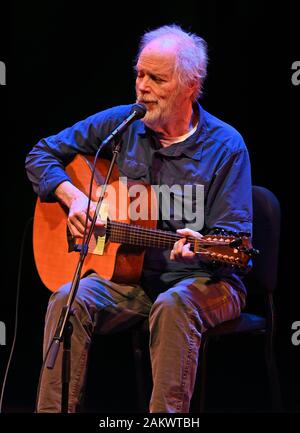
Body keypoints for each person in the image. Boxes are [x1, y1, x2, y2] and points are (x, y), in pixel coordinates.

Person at [25, 24, 252, 413]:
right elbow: (40, 153)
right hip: (132, 280)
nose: (141, 87)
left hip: (206, 282)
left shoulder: (226, 146)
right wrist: (74, 197)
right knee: (68, 298)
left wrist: (199, 251)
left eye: (156, 79)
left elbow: (236, 245)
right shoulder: (123, 124)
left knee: (175, 304)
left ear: (190, 85)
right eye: (140, 74)